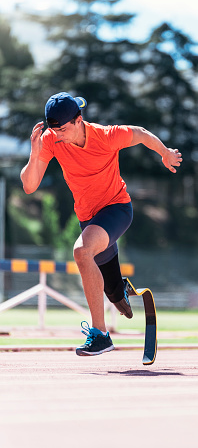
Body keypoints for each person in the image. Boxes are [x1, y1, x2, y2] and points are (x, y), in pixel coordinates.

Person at [20, 92, 182, 356]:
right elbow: (29, 186)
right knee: (115, 296)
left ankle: (100, 335)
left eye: (62, 129)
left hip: (116, 208)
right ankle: (121, 290)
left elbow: (140, 133)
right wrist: (34, 152)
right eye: (53, 130)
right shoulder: (50, 140)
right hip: (88, 218)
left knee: (82, 252)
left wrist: (164, 153)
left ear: (78, 120)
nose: (57, 135)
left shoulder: (106, 136)